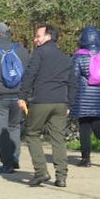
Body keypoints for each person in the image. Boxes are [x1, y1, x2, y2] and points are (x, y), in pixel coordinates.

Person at [19, 24, 77, 187]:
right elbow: (73, 82)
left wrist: (22, 96)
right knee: (58, 137)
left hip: (42, 100)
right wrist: (69, 103)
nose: (35, 39)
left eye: (38, 36)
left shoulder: (39, 53)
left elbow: (30, 74)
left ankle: (41, 171)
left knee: (32, 134)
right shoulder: (65, 57)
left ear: (48, 37)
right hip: (60, 102)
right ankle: (61, 176)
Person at [0, 22, 25, 174]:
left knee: (1, 129)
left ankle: (7, 163)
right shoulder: (21, 50)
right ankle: (15, 157)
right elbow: (28, 72)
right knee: (15, 126)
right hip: (18, 96)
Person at [71, 26, 100, 167]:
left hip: (84, 98)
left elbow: (73, 78)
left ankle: (85, 159)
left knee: (84, 127)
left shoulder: (79, 56)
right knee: (99, 126)